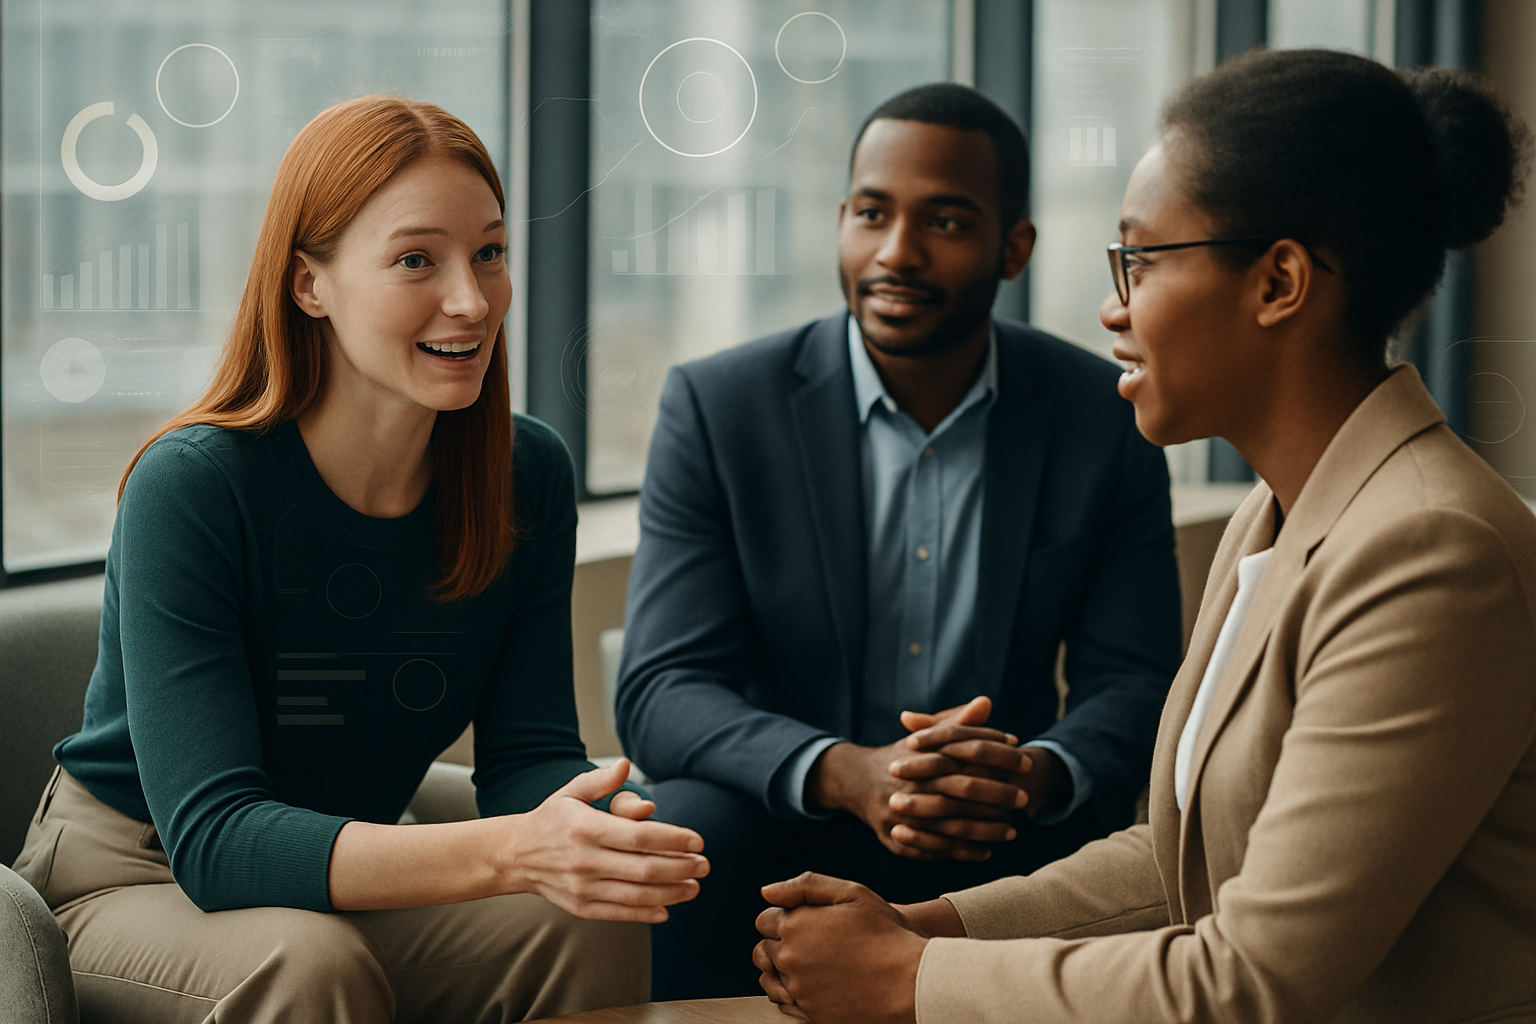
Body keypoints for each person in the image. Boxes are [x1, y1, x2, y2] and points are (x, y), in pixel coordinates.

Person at [752, 49, 1536, 1024]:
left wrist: (908, 979)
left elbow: (1250, 980)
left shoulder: (1432, 551)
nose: (1112, 307)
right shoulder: (1280, 512)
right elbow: (1185, 863)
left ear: (1279, 281)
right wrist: (928, 929)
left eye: (1140, 261)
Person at [11, 95, 709, 1024]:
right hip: (136, 878)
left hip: (340, 872)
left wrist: (602, 827)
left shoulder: (526, 473)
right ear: (310, 284)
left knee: (587, 919)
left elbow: (528, 759)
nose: (472, 300)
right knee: (310, 962)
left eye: (490, 253)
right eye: (417, 260)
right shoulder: (193, 485)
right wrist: (512, 851)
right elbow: (216, 841)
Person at [617, 82, 1183, 999]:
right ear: (841, 220)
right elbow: (662, 686)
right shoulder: (721, 407)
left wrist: (1030, 776)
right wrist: (847, 773)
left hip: (1005, 829)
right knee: (685, 826)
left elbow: (1137, 678)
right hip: (783, 827)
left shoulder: (1102, 417)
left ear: (1014, 249)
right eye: (872, 214)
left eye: (946, 222)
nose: (896, 253)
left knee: (1134, 848)